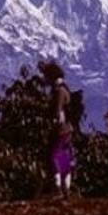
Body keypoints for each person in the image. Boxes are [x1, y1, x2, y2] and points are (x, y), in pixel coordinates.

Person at [42, 62, 76, 196]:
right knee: (64, 157)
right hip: (68, 129)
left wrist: (54, 124)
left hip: (60, 129)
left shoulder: (58, 91)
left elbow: (58, 111)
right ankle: (65, 187)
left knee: (53, 155)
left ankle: (57, 187)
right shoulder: (65, 89)